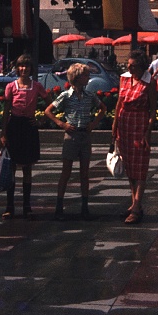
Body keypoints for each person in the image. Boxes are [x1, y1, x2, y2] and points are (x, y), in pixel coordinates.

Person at [44, 63, 106, 221]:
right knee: (66, 172)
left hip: (85, 135)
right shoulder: (66, 95)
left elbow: (103, 108)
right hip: (71, 135)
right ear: (77, 78)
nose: (88, 78)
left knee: (84, 173)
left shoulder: (89, 95)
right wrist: (61, 124)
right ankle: (59, 207)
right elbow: (48, 111)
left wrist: (93, 124)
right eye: (85, 75)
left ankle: (85, 207)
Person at [0, 54, 52, 220]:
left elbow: (51, 103)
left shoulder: (36, 86)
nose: (24, 69)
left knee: (27, 167)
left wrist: (41, 120)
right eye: (21, 66)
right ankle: (9, 206)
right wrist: (3, 133)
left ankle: (27, 206)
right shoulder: (11, 86)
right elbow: (6, 111)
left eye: (27, 66)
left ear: (31, 69)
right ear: (17, 68)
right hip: (14, 126)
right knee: (12, 167)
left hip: (29, 127)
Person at [112, 50, 157, 225]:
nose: (129, 68)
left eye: (133, 66)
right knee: (130, 167)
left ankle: (137, 207)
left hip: (140, 126)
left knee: (140, 168)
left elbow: (153, 110)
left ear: (142, 67)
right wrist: (115, 125)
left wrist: (148, 132)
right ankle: (134, 203)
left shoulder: (149, 82)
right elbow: (119, 103)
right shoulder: (124, 79)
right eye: (128, 65)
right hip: (124, 126)